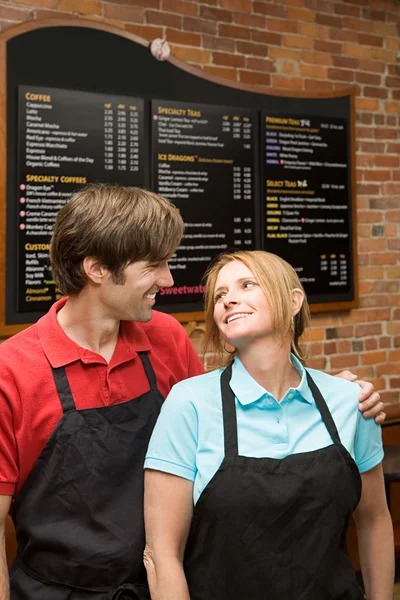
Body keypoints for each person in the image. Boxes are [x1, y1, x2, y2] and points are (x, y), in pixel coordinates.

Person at [0, 185, 384, 600]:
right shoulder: (12, 370)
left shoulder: (166, 338)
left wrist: (331, 394)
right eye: (154, 265)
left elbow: (219, 420)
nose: (167, 279)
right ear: (96, 269)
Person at [143, 250, 394, 600]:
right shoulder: (188, 404)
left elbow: (374, 520)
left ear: (293, 301)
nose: (229, 299)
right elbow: (161, 554)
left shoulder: (350, 401)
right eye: (219, 295)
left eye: (247, 285)